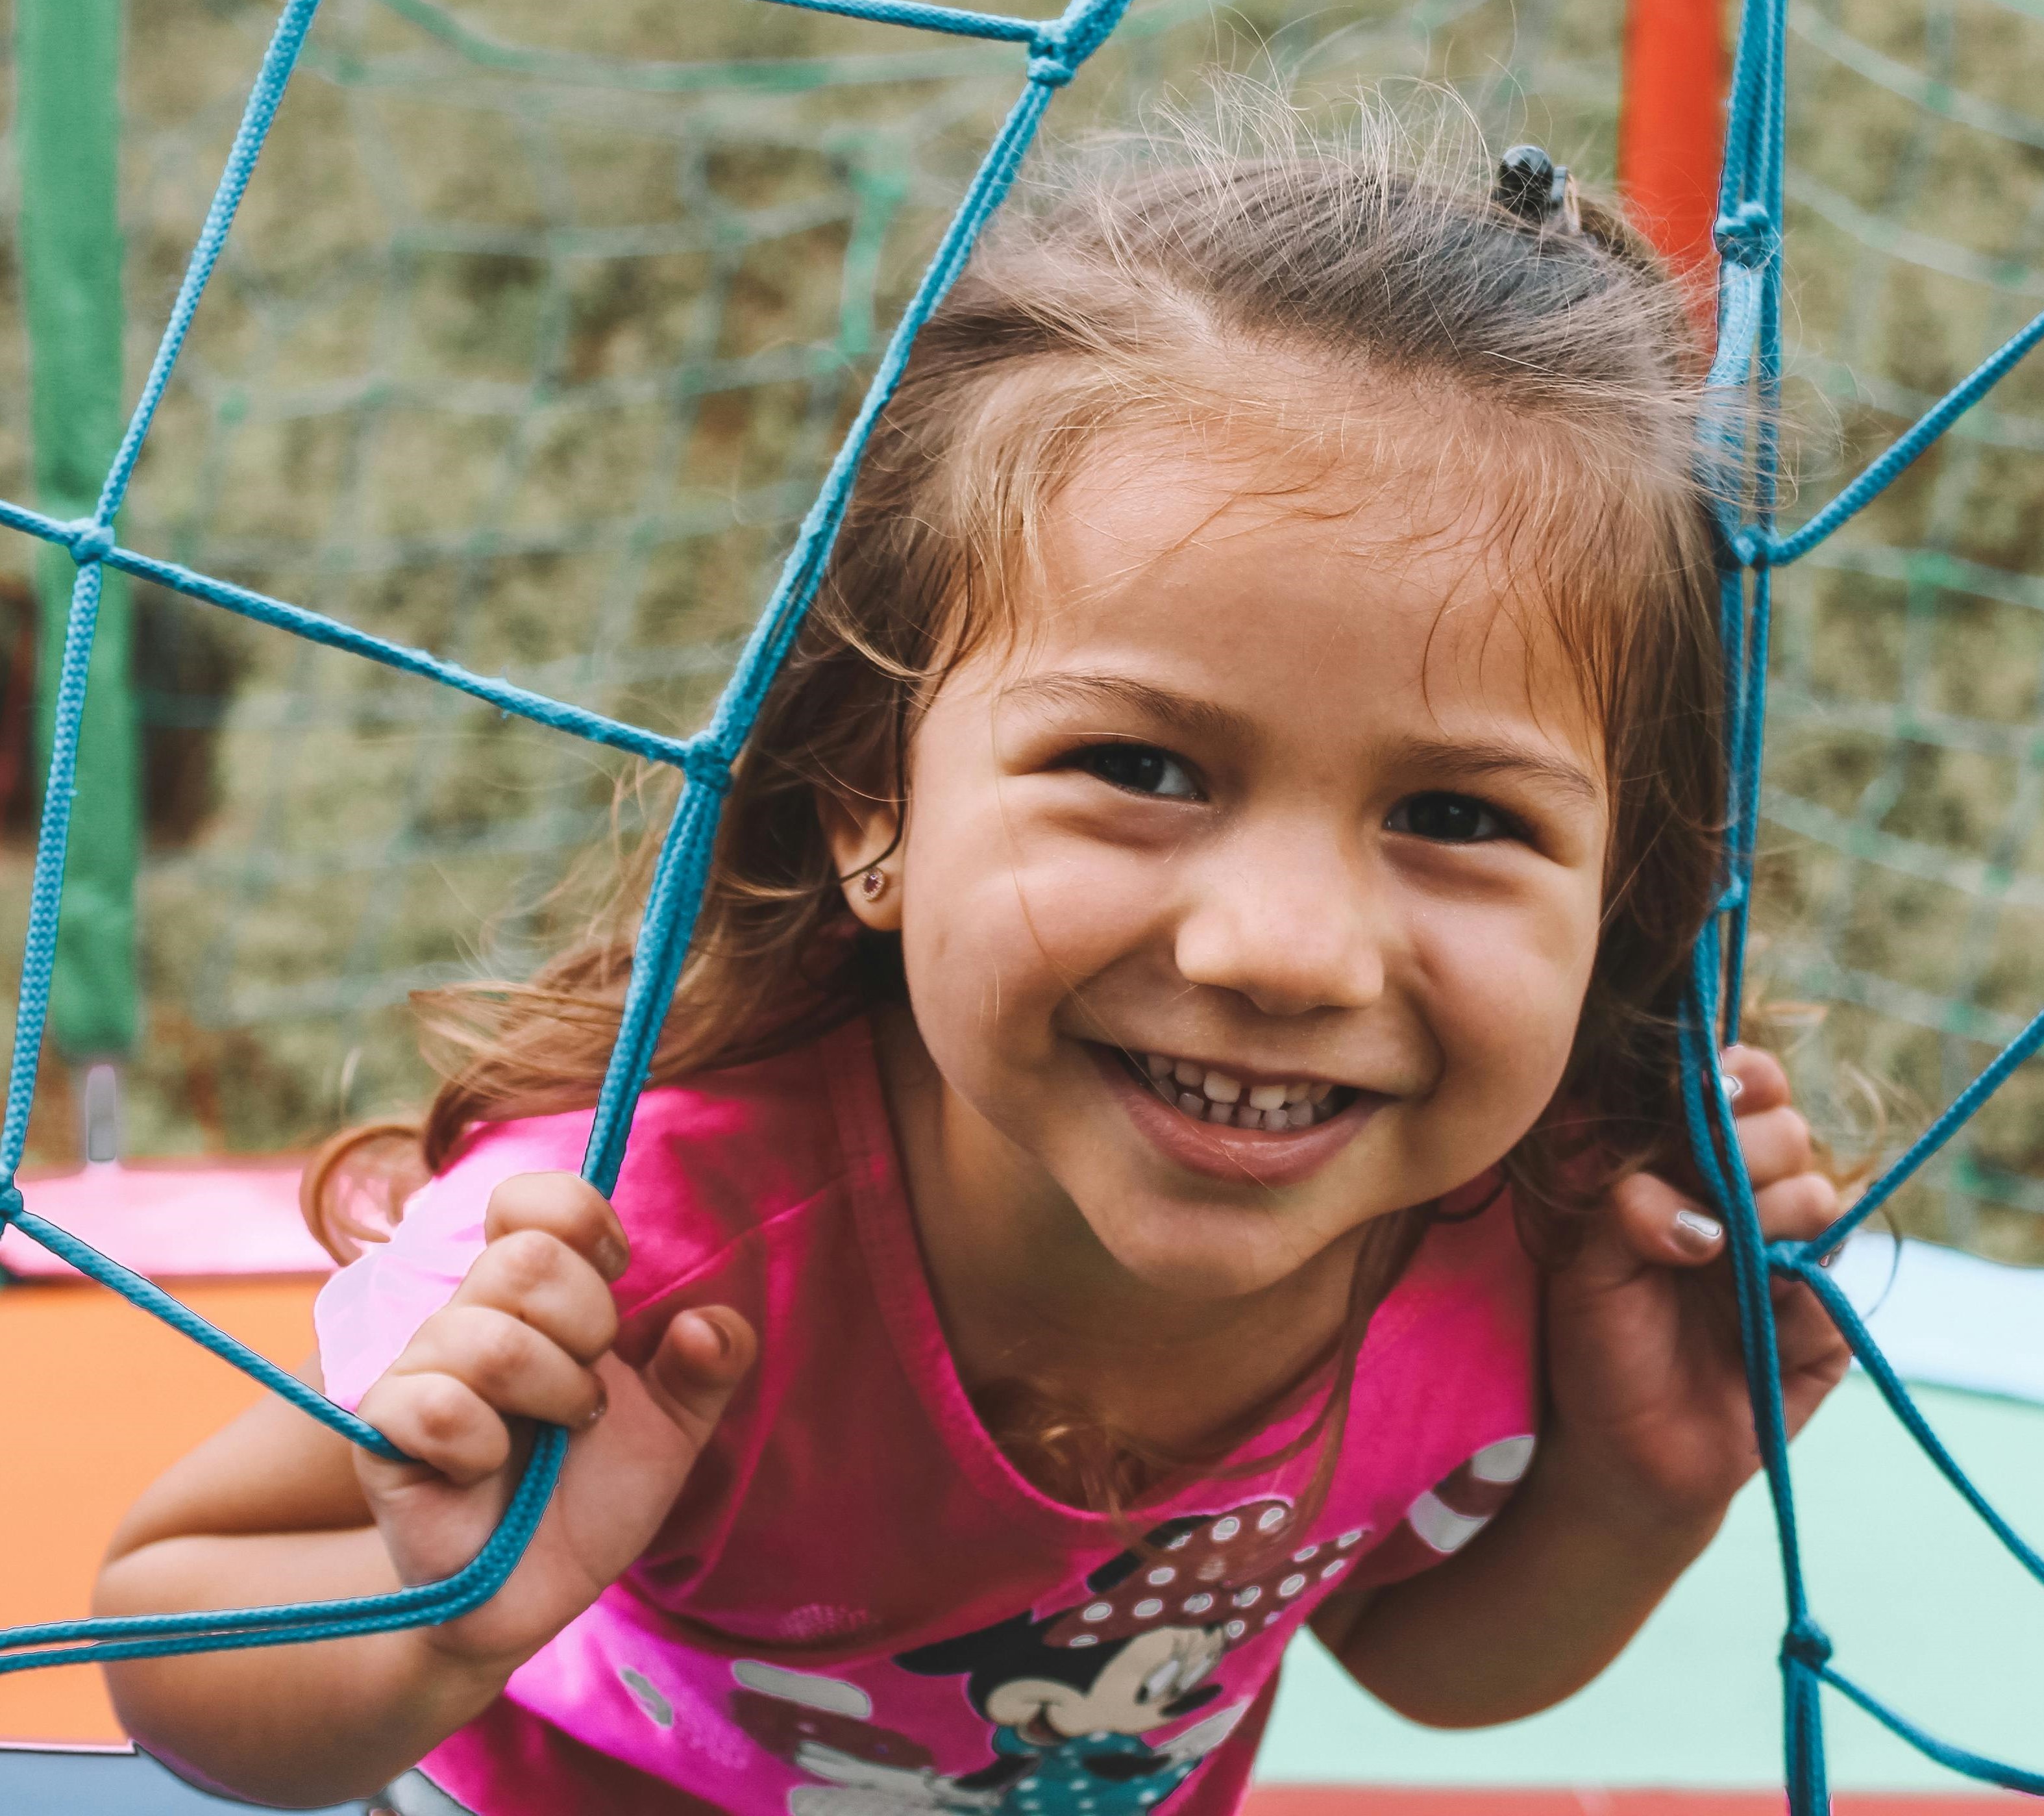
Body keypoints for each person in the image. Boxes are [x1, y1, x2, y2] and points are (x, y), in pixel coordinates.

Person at [93, 109, 1849, 1816]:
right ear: (876, 806)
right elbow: (170, 1634)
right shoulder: (638, 1253)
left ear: (1621, 894)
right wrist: (437, 1626)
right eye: (1142, 770)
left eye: (1458, 816)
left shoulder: (1525, 1229)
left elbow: (1417, 1663)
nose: (1285, 953)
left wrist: (1640, 1483)